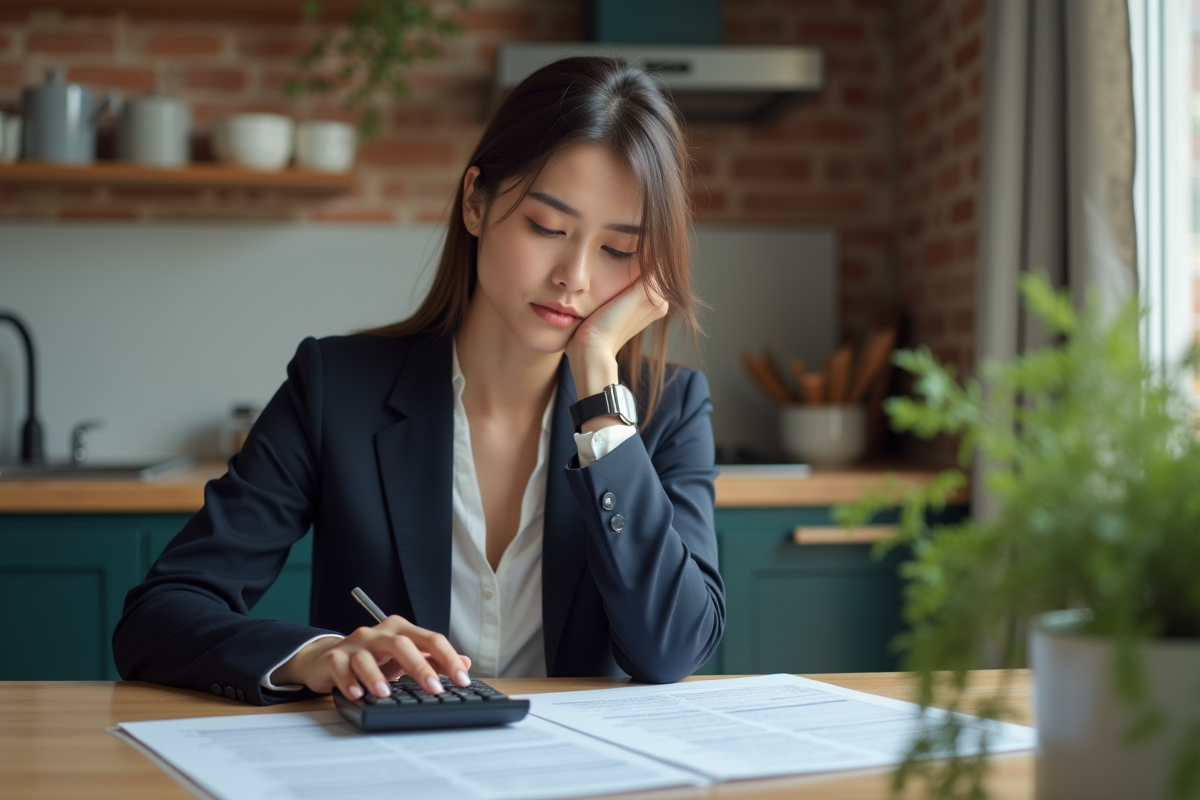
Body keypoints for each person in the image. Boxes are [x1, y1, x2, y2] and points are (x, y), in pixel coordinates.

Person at [113, 56, 725, 706]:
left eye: (617, 250)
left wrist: (601, 385)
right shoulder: (335, 389)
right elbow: (159, 615)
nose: (574, 275)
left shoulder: (666, 410)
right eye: (547, 227)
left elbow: (672, 648)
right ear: (474, 203)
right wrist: (316, 655)